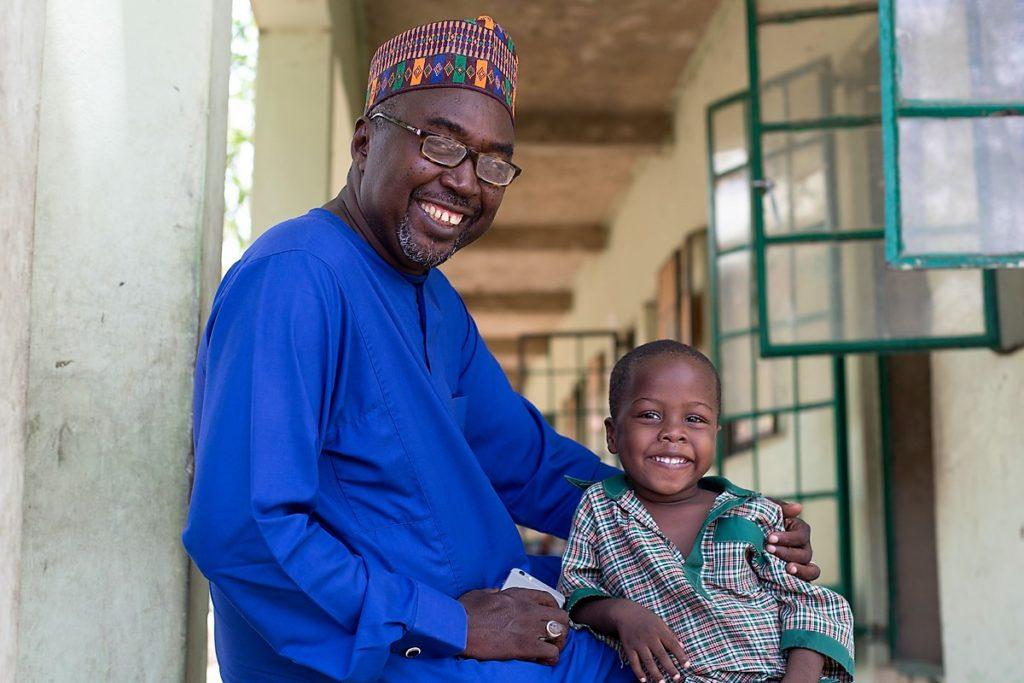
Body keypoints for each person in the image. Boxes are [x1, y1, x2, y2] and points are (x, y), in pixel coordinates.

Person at [183, 16, 818, 682]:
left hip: (503, 624)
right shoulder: (295, 276)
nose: (465, 181)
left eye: (492, 162)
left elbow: (529, 464)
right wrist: (458, 624)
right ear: (364, 143)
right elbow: (245, 533)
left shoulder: (433, 299)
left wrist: (713, 519)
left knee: (753, 632)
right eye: (440, 144)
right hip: (395, 653)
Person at [558, 340, 854, 683]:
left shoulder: (751, 513)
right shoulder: (601, 508)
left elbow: (808, 605)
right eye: (649, 415)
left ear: (715, 434)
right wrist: (621, 614)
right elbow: (575, 590)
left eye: (694, 419)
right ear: (612, 434)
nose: (673, 433)